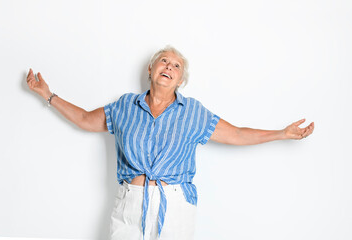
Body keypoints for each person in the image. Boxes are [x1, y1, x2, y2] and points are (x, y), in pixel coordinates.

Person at [26, 45, 315, 240]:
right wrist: (48, 96)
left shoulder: (193, 113)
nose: (169, 66)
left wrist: (281, 133)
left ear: (180, 80)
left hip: (174, 204)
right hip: (130, 201)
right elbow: (86, 119)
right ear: (151, 69)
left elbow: (237, 134)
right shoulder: (126, 106)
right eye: (164, 60)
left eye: (176, 65)